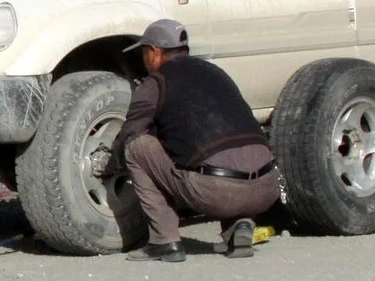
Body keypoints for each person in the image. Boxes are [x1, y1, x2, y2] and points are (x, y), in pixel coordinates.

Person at [117, 18, 279, 263]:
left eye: (143, 52)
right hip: (267, 187)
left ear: (154, 52)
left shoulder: (155, 83)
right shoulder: (216, 72)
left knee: (137, 147)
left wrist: (109, 166)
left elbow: (130, 133)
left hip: (218, 193)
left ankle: (164, 242)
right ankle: (240, 226)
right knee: (223, 147)